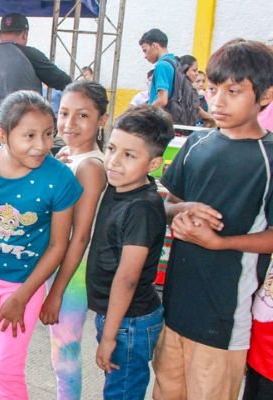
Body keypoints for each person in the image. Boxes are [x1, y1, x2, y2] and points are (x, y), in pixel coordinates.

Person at [152, 39, 273, 400]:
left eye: (233, 91)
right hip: (174, 311)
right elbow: (166, 205)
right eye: (212, 88)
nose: (218, 101)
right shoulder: (196, 144)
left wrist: (221, 243)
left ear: (266, 95)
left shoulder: (268, 158)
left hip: (223, 322)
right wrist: (178, 212)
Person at [0, 90, 81, 400]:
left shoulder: (59, 178)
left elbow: (58, 245)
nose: (42, 145)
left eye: (48, 134)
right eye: (29, 136)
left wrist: (23, 296)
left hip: (25, 285)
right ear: (2, 134)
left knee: (7, 369)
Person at [88, 105, 174, 399]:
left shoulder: (141, 208)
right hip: (120, 317)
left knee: (122, 392)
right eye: (112, 148)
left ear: (154, 164)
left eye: (129, 155)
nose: (114, 161)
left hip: (130, 322)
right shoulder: (121, 184)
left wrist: (110, 335)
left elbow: (128, 278)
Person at [40, 81, 108, 400]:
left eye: (83, 115)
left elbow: (80, 236)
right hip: (57, 263)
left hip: (72, 271)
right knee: (59, 352)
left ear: (102, 120)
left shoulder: (90, 166)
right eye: (64, 113)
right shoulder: (69, 156)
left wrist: (57, 290)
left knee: (65, 355)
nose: (70, 123)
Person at [0, 13, 71, 146]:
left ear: (0, 35)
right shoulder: (31, 55)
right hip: (23, 135)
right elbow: (64, 82)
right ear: (24, 34)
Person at [139, 28, 176, 111]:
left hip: (161, 115)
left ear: (154, 46)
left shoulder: (161, 65)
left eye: (145, 50)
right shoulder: (174, 62)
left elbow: (162, 100)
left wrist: (145, 113)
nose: (145, 56)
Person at [178, 55, 214, 127]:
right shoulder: (183, 88)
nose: (197, 73)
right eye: (194, 70)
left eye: (203, 81)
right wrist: (213, 118)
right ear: (185, 70)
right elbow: (197, 109)